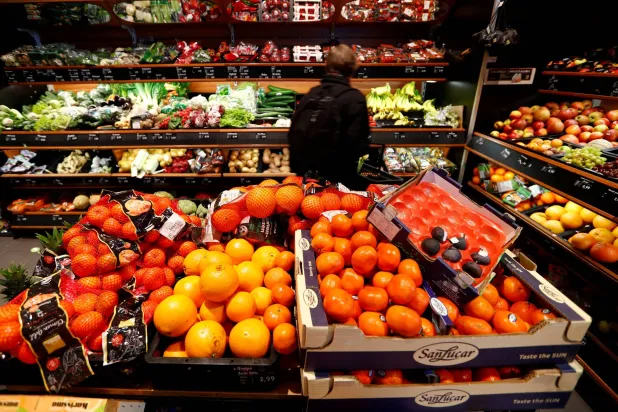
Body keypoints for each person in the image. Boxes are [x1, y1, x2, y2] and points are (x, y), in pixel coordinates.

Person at [288, 44, 370, 190]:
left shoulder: (311, 94)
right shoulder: (355, 98)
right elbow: (359, 146)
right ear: (352, 69)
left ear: (326, 65)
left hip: (308, 180)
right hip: (339, 183)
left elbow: (293, 134)